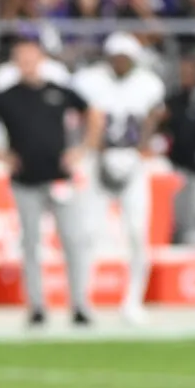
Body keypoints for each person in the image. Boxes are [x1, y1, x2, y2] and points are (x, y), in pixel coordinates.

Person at [0, 37, 100, 328]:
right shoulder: (7, 96)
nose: (27, 63)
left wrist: (83, 149)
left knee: (73, 241)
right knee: (30, 244)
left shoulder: (58, 91)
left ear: (41, 59)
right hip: (25, 180)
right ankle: (37, 306)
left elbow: (92, 113)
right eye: (22, 58)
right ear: (15, 62)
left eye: (31, 57)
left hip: (59, 178)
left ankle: (80, 304)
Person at [73, 32, 166, 325]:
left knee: (137, 232)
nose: (120, 63)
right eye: (116, 57)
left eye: (125, 58)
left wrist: (144, 145)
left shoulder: (148, 84)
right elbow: (80, 115)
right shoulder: (90, 81)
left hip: (132, 159)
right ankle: (82, 300)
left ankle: (133, 300)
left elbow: (155, 115)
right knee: (89, 232)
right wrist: (89, 146)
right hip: (98, 158)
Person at [162, 54, 195, 244]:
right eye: (183, 72)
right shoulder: (174, 100)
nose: (186, 75)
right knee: (177, 217)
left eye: (190, 71)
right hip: (178, 167)